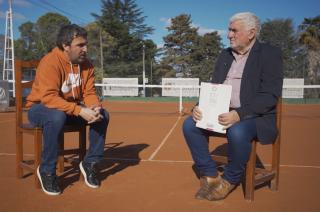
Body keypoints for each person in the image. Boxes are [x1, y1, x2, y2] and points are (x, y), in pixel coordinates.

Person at [182, 12, 283, 201]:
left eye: (234, 30)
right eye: (229, 30)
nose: (229, 35)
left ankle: (229, 179)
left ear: (251, 33)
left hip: (257, 116)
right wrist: (199, 106)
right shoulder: (225, 55)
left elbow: (270, 95)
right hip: (223, 112)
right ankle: (211, 176)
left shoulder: (270, 54)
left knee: (237, 131)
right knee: (189, 125)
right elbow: (215, 85)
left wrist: (239, 114)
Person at [26, 24, 109, 195]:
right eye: (80, 45)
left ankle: (90, 163)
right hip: (40, 109)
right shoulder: (50, 62)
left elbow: (89, 93)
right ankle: (47, 170)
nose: (85, 49)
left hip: (68, 110)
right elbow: (49, 98)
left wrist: (94, 107)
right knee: (56, 117)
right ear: (66, 46)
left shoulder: (87, 65)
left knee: (103, 115)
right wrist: (79, 111)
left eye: (86, 44)